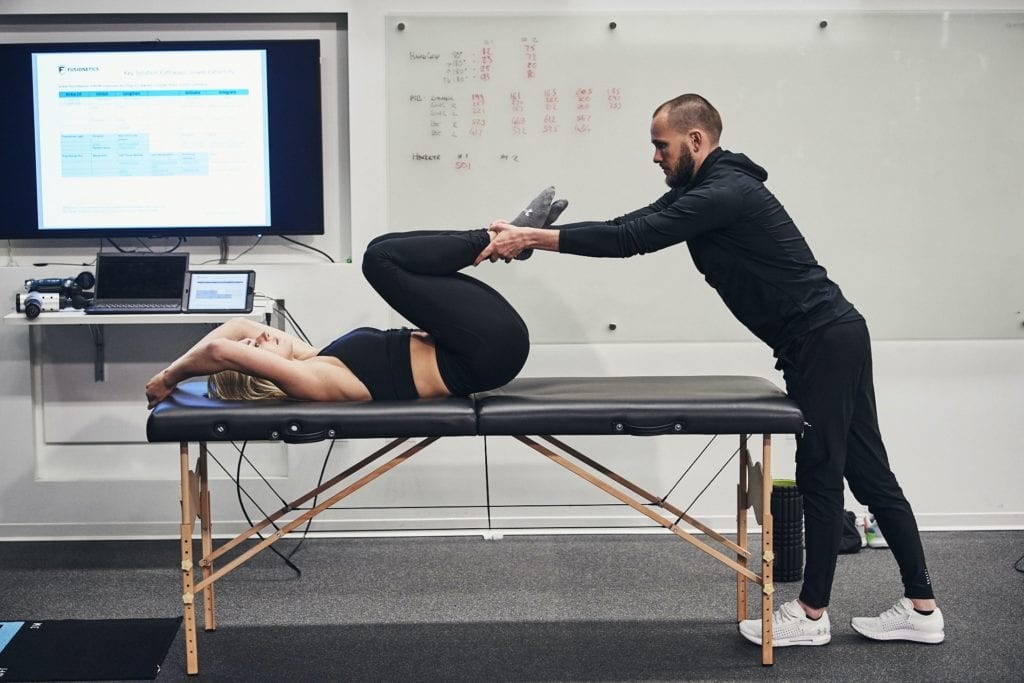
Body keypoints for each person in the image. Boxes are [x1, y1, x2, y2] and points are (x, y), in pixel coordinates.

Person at [477, 93, 943, 647]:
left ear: (695, 140)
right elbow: (629, 223)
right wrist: (532, 234)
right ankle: (922, 608)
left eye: (661, 145)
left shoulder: (725, 192)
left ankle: (812, 614)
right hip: (829, 338)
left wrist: (532, 239)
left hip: (823, 342)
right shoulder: (705, 189)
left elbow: (630, 241)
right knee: (868, 472)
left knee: (823, 474)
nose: (655, 156)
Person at [145, 189, 567, 408]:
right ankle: (502, 238)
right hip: (485, 352)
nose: (258, 336)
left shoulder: (312, 360)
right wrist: (169, 378)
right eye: (253, 350)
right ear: (259, 376)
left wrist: (197, 360)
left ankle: (509, 240)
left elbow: (236, 327)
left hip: (477, 344)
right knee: (379, 260)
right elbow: (220, 350)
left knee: (380, 250)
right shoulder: (311, 383)